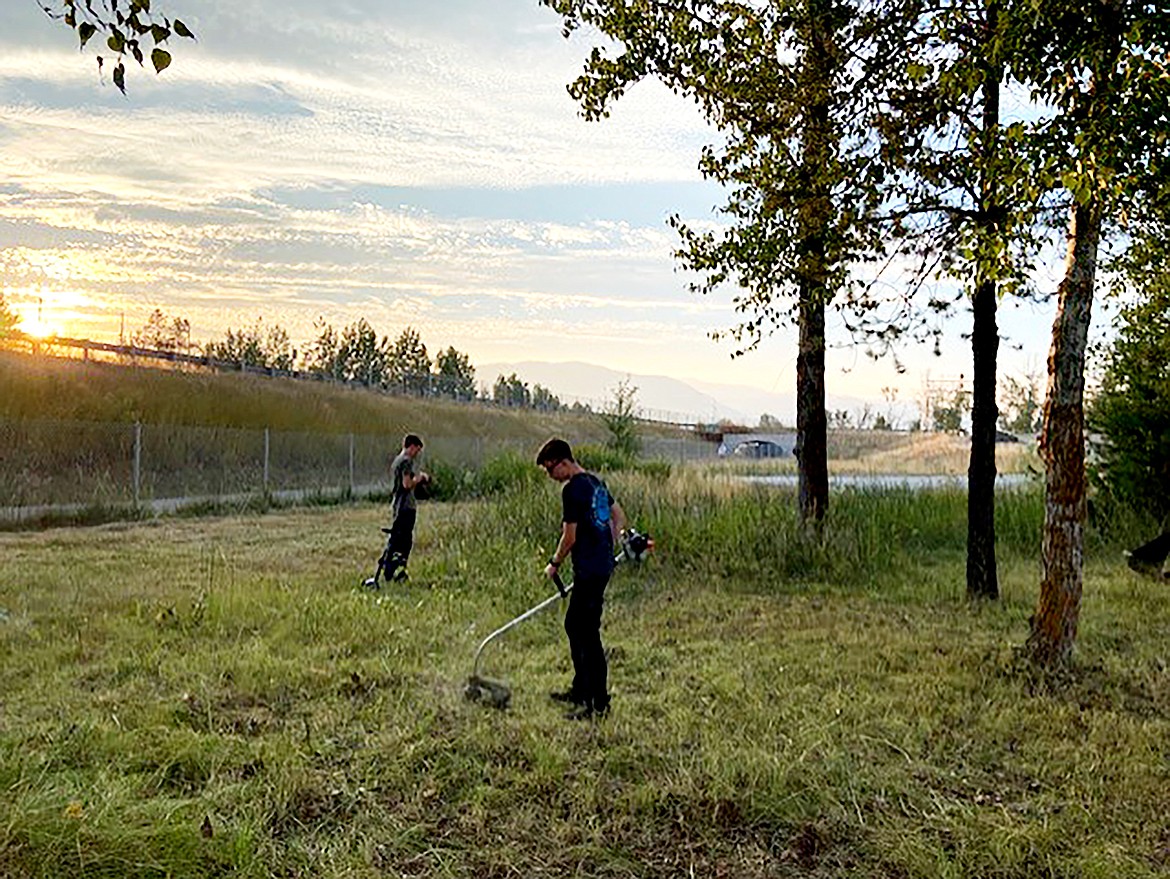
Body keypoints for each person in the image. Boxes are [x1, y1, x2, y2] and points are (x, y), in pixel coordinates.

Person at [537, 437, 627, 720]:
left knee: (587, 633)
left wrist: (554, 563)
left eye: (551, 470)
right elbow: (618, 515)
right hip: (599, 566)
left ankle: (597, 703)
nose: (551, 477)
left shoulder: (573, 490)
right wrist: (609, 542)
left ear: (563, 463)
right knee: (575, 626)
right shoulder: (595, 483)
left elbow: (570, 536)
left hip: (589, 569)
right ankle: (581, 688)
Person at [373, 433, 429, 586]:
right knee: (404, 542)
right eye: (417, 450)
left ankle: (391, 571)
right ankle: (396, 571)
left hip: (398, 505)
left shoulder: (397, 461)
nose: (417, 454)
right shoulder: (406, 461)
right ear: (411, 447)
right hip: (405, 507)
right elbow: (407, 484)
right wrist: (421, 478)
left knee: (397, 540)